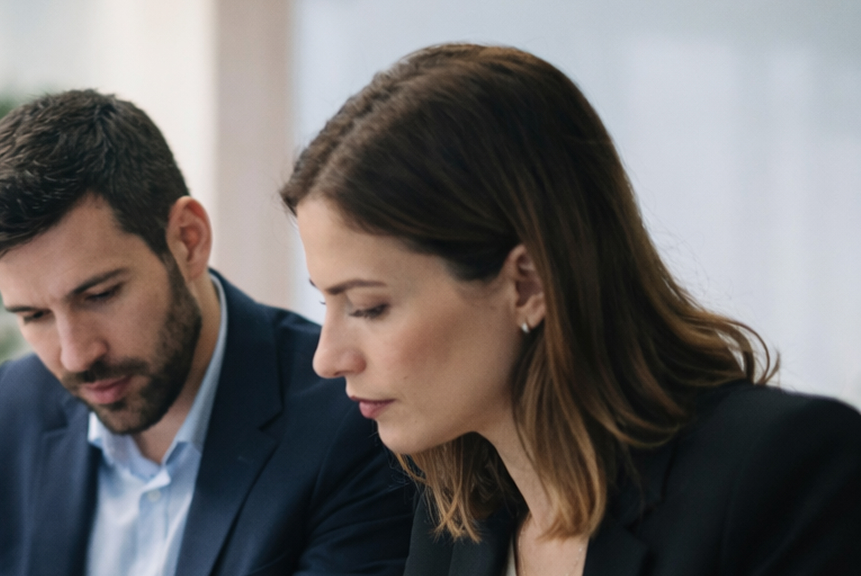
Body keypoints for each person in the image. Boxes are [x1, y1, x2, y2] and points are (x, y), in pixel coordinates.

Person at [281, 43, 861, 576]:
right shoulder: (453, 526)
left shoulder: (784, 470)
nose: (327, 360)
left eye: (369, 307)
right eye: (326, 300)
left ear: (527, 283)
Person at [0, 90, 413, 576]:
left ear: (187, 241)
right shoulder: (18, 406)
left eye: (100, 295)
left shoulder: (351, 422)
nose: (77, 355)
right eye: (33, 316)